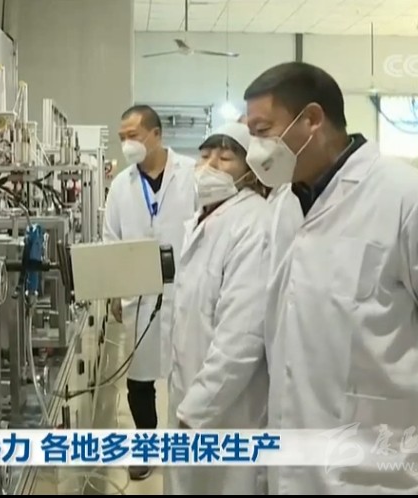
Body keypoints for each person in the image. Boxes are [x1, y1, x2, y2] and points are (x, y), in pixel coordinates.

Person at [243, 62, 418, 494]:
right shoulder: (283, 204)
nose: (254, 149)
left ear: (312, 120)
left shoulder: (410, 198)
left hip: (377, 468)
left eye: (263, 131)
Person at [165, 122, 274, 496]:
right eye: (204, 156)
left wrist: (196, 409)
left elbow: (241, 338)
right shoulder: (204, 217)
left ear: (250, 171)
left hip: (227, 408)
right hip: (191, 391)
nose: (210, 165)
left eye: (225, 158)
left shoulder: (254, 223)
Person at [102, 104, 197, 481]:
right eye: (122, 137)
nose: (127, 143)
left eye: (134, 135)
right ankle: (146, 446)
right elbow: (111, 239)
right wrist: (114, 292)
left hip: (186, 293)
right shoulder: (121, 184)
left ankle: (183, 444)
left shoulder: (191, 174)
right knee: (139, 379)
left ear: (156, 134)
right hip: (138, 296)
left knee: (186, 375)